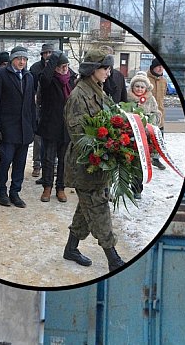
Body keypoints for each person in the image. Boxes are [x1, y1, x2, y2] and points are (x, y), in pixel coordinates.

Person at [63, 48, 126, 271]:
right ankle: (113, 258)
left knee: (87, 208)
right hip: (85, 165)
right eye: (105, 68)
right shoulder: (78, 96)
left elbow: (109, 119)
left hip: (98, 164)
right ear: (93, 70)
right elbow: (79, 136)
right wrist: (105, 147)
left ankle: (71, 248)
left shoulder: (98, 91)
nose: (109, 73)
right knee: (98, 209)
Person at [0, 46, 37, 209]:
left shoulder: (29, 77)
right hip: (7, 128)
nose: (22, 62)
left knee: (20, 163)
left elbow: (31, 103)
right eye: (19, 59)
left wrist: (33, 126)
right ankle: (1, 191)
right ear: (12, 60)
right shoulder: (0, 74)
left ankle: (15, 192)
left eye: (24, 59)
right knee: (5, 160)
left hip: (24, 129)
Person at [36, 51, 75, 203]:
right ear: (55, 68)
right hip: (50, 125)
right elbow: (44, 77)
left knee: (64, 160)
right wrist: (53, 58)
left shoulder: (72, 79)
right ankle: (47, 187)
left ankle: (61, 188)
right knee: (48, 159)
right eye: (62, 67)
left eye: (66, 66)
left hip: (66, 127)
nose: (65, 69)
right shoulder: (49, 80)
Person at [29, 43, 54, 180]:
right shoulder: (35, 68)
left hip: (52, 108)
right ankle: (37, 165)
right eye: (46, 53)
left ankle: (50, 165)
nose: (48, 55)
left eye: (50, 52)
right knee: (38, 138)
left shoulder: (57, 67)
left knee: (50, 139)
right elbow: (31, 87)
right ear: (42, 55)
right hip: (38, 106)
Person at [146, 57, 167, 169]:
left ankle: (156, 159)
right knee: (147, 139)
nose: (160, 68)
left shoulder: (163, 80)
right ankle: (146, 160)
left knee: (159, 138)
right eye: (158, 66)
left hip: (160, 115)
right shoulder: (146, 79)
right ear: (153, 67)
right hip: (148, 114)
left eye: (162, 66)